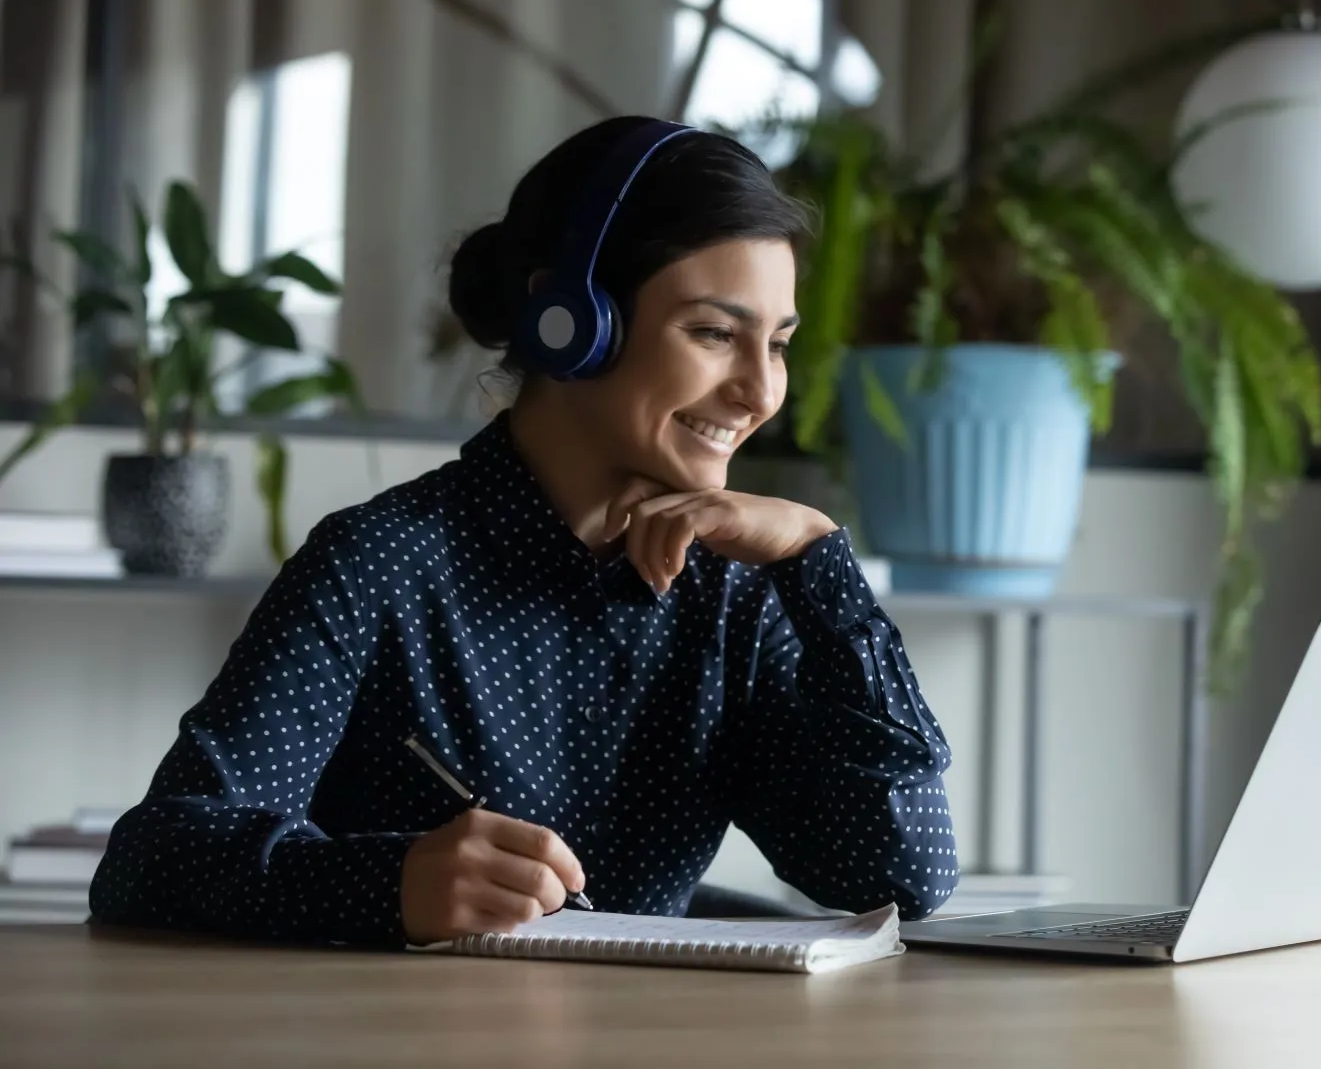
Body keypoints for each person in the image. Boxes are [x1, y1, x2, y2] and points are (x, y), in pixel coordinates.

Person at [88, 117, 959, 946]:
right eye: (712, 333)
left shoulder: (736, 591)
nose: (759, 392)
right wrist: (391, 885)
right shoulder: (378, 563)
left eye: (777, 344)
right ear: (570, 322)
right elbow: (151, 863)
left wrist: (817, 559)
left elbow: (903, 871)